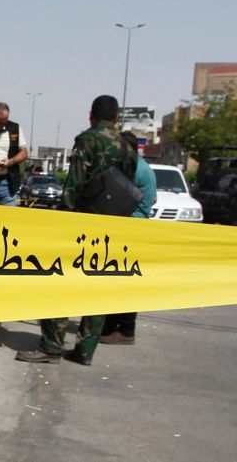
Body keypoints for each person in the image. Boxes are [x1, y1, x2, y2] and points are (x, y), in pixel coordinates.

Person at [16, 95, 138, 366]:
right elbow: (129, 188)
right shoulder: (127, 147)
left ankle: (51, 346)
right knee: (97, 286)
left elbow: (74, 183)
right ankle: (85, 350)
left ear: (91, 114)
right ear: (116, 118)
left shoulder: (87, 140)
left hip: (82, 224)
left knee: (59, 281)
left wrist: (64, 221)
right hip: (112, 227)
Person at [101, 131, 157, 345]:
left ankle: (124, 330)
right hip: (136, 227)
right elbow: (153, 199)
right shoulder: (145, 168)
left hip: (129, 228)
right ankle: (115, 327)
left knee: (123, 281)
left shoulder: (134, 168)